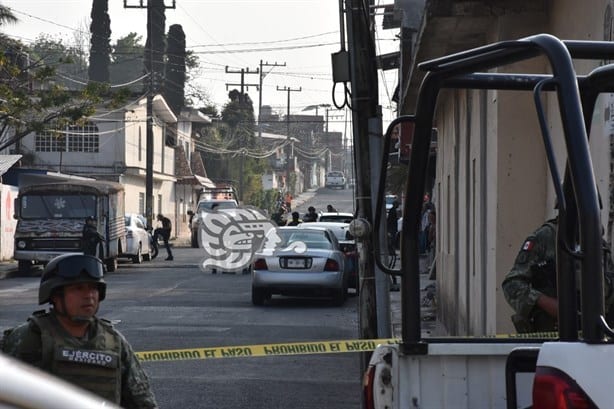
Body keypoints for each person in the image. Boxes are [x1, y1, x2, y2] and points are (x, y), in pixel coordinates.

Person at [1, 253, 159, 408]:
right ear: (55, 295)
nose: (89, 295)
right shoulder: (27, 338)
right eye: (78, 288)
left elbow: (143, 401)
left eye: (93, 288)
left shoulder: (115, 343)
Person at [502, 217, 614, 333]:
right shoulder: (546, 238)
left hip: (593, 335)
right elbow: (512, 285)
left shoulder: (599, 245)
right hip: (550, 335)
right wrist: (548, 303)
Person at [387, 200, 400, 291]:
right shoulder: (392, 211)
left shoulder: (393, 211)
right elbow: (391, 221)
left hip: (392, 230)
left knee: (390, 267)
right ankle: (393, 281)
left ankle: (393, 281)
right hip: (392, 230)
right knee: (390, 268)